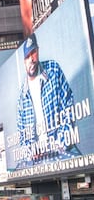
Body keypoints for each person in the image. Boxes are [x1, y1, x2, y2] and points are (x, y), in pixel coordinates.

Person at [16, 33, 81, 168]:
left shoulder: (53, 70)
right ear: (23, 61)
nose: (31, 59)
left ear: (38, 51)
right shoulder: (22, 98)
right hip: (37, 161)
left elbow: (68, 106)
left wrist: (61, 143)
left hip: (62, 151)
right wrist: (32, 153)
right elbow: (22, 137)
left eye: (33, 53)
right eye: (27, 57)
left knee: (85, 164)